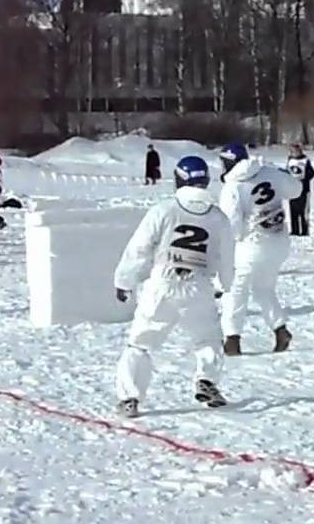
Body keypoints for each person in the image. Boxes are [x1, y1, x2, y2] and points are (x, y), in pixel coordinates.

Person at [113, 156, 235, 418]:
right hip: (199, 286)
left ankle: (130, 397)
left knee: (140, 343)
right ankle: (207, 380)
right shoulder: (218, 217)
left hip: (162, 284)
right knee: (209, 339)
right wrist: (225, 284)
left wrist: (124, 280)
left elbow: (139, 249)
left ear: (179, 179)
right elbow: (226, 257)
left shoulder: (164, 210)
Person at [217, 142, 302, 356]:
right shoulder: (268, 171)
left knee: (234, 291)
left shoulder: (233, 187)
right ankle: (280, 330)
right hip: (279, 242)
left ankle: (232, 340)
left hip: (251, 247)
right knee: (263, 288)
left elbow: (232, 227)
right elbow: (296, 190)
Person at [285, 143, 314, 236]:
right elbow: (287, 172)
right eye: (292, 150)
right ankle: (295, 230)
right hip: (292, 189)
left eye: (296, 150)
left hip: (304, 189)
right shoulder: (290, 160)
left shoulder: (305, 160)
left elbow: (312, 173)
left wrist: (304, 179)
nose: (294, 152)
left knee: (303, 211)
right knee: (293, 211)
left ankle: (304, 230)